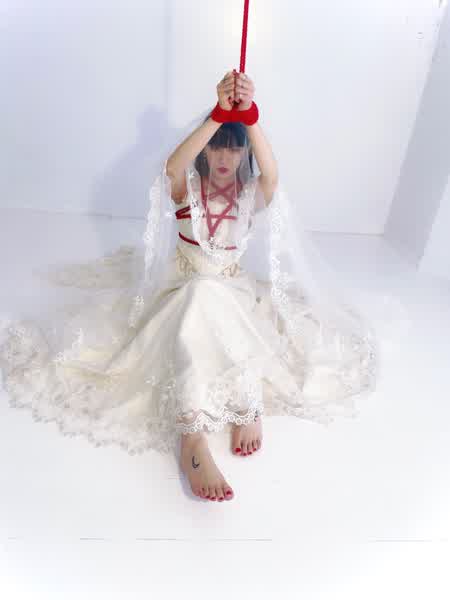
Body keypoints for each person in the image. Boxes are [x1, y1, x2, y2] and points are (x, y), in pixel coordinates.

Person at [0, 70, 382, 504]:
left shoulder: (248, 196)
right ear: (205, 150)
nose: (224, 156)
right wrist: (218, 114)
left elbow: (272, 175)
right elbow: (172, 167)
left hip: (233, 292)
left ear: (245, 155)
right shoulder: (189, 191)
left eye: (234, 149)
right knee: (198, 295)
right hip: (182, 287)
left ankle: (241, 403)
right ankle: (194, 436)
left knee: (213, 299)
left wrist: (249, 117)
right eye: (216, 146)